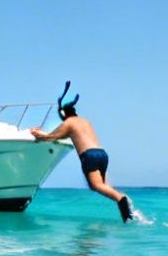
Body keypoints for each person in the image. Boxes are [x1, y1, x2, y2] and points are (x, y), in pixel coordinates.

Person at [32, 85, 133, 223]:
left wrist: (38, 134)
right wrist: (46, 135)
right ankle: (128, 214)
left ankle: (121, 199)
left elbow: (52, 137)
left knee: (96, 186)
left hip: (89, 155)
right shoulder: (85, 121)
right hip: (102, 154)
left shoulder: (68, 122)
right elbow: (66, 135)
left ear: (63, 114)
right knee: (103, 186)